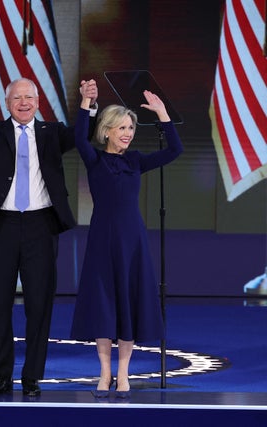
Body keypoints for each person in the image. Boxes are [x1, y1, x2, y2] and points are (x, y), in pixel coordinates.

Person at [0, 78, 98, 397]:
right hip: (2, 224)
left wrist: (86, 103)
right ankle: (1, 376)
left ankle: (31, 376)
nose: (24, 102)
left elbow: (82, 134)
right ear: (7, 103)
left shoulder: (52, 133)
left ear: (38, 101)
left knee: (38, 305)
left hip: (42, 225)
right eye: (17, 98)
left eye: (29, 97)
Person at [70, 82, 183, 399]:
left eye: (131, 127)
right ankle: (104, 374)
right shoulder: (95, 159)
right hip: (102, 241)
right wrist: (85, 102)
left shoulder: (135, 161)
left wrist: (162, 114)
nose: (128, 132)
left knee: (128, 305)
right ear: (106, 131)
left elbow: (174, 151)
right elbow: (79, 137)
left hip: (132, 242)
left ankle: (123, 375)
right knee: (105, 308)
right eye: (121, 127)